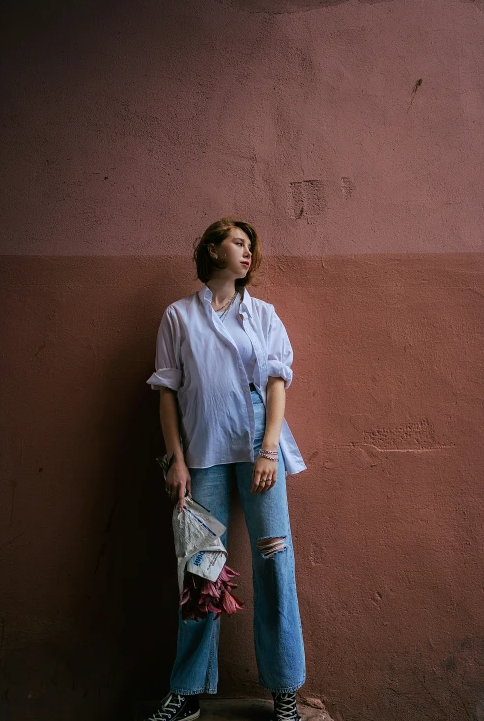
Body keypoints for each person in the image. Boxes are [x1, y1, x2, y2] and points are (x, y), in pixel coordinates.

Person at [145, 217, 307, 721]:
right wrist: (176, 461)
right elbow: (167, 393)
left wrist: (268, 449)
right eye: (237, 243)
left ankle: (284, 690)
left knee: (274, 561)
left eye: (250, 246)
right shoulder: (178, 317)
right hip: (203, 454)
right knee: (201, 570)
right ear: (212, 251)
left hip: (260, 447)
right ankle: (188, 691)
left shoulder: (263, 315)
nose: (247, 253)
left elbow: (277, 382)